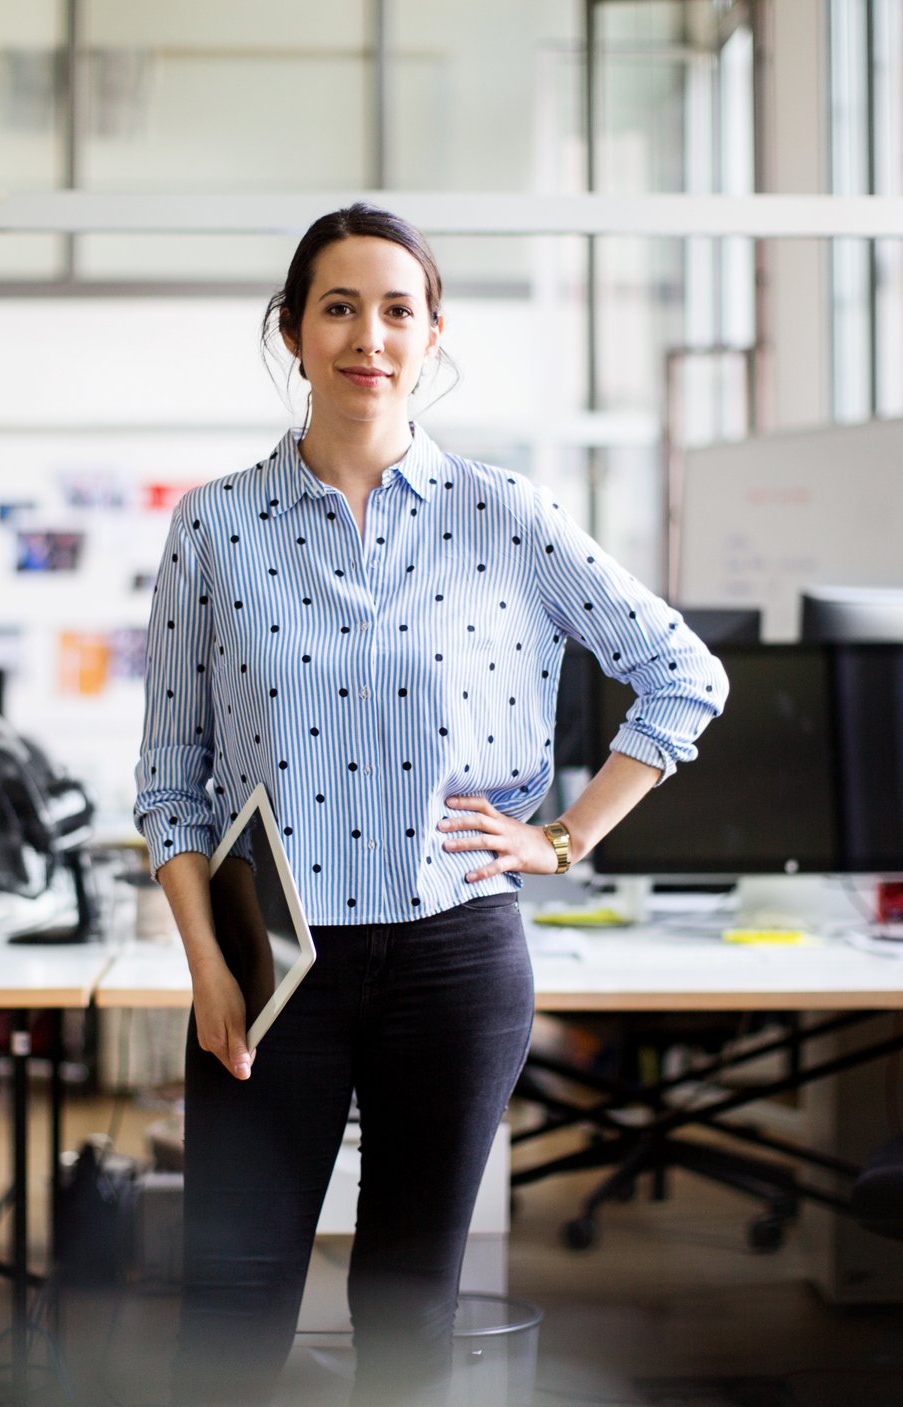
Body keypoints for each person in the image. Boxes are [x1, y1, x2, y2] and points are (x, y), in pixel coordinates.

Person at [133, 203, 729, 1406]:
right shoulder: (214, 526)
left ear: (431, 334)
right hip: (271, 961)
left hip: (452, 954)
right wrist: (206, 967)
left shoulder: (505, 514)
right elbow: (170, 781)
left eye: (396, 310)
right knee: (230, 1316)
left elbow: (684, 675)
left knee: (410, 1311)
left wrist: (564, 838)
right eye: (338, 308)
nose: (369, 336)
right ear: (293, 333)